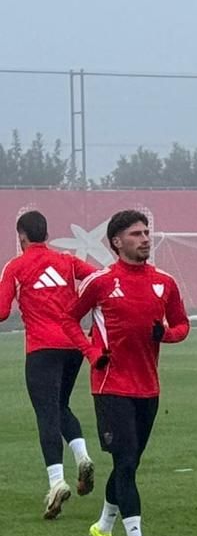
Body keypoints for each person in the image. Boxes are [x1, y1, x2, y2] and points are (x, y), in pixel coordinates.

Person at [70, 210, 189, 536]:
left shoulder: (164, 283)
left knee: (129, 464)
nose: (145, 238)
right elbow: (69, 319)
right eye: (136, 234)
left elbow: (182, 325)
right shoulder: (101, 282)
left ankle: (102, 527)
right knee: (124, 463)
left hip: (148, 389)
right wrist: (92, 354)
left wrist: (165, 335)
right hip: (110, 386)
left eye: (146, 232)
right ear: (117, 242)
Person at [1, 210, 98, 518]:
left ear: (22, 236)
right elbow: (99, 279)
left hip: (42, 349)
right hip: (72, 348)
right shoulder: (67, 262)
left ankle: (57, 483)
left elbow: (2, 312)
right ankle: (82, 457)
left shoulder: (16, 267)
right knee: (61, 406)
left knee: (46, 413)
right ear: (47, 234)